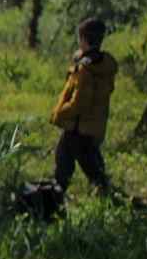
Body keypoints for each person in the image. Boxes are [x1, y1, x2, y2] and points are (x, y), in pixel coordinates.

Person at [50, 18, 117, 193]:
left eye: (79, 38)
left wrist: (59, 113)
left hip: (79, 126)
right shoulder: (103, 65)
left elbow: (79, 103)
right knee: (69, 158)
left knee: (84, 166)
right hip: (90, 125)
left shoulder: (85, 70)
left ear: (84, 40)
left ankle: (56, 195)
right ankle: (57, 191)